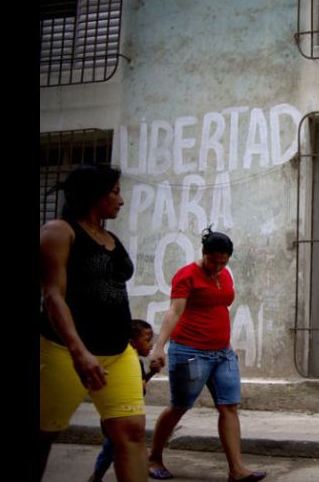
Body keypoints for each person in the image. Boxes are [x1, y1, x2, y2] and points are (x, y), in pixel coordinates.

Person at [39, 164, 148, 481]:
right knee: (44, 433)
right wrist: (79, 351)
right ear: (95, 194)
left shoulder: (110, 236)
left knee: (131, 432)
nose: (121, 200)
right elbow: (53, 296)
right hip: (65, 351)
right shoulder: (59, 232)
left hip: (117, 351)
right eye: (115, 192)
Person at [147, 228, 266, 482]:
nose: (218, 266)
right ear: (204, 254)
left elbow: (219, 306)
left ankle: (236, 469)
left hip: (223, 354)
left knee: (229, 406)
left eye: (224, 262)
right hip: (190, 353)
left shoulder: (224, 274)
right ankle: (154, 457)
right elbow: (174, 312)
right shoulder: (186, 275)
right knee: (180, 405)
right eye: (214, 261)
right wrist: (159, 346)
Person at [89, 320, 160, 482]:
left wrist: (151, 373)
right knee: (112, 448)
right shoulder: (123, 361)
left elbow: (140, 384)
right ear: (132, 343)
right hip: (118, 415)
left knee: (116, 447)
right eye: (147, 341)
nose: (150, 346)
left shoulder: (136, 362)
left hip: (128, 412)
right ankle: (97, 476)